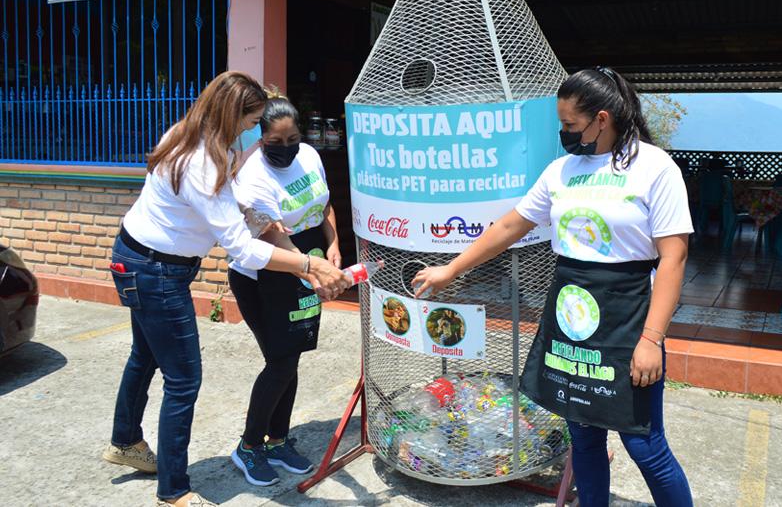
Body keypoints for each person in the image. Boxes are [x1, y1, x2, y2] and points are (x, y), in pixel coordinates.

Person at [413, 68, 694, 506]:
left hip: (628, 313)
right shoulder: (562, 170)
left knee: (644, 443)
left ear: (602, 119)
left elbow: (674, 258)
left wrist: (652, 340)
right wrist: (452, 268)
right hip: (571, 311)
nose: (563, 133)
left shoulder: (655, 167)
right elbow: (512, 223)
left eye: (569, 125)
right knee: (582, 435)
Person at [102, 71, 349, 507]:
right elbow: (241, 247)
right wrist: (308, 264)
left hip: (141, 257)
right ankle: (174, 492)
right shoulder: (202, 160)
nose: (250, 131)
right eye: (248, 121)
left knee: (144, 355)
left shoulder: (194, 134)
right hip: (156, 271)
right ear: (230, 114)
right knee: (183, 381)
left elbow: (239, 210)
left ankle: (125, 442)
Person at [226, 93, 343, 486]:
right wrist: (316, 273)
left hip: (306, 262)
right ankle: (248, 446)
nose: (286, 148)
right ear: (260, 137)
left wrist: (334, 244)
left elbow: (325, 205)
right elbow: (276, 239)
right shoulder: (254, 177)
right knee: (280, 360)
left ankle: (277, 440)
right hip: (265, 273)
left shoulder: (309, 155)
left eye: (292, 139)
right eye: (275, 142)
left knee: (291, 357)